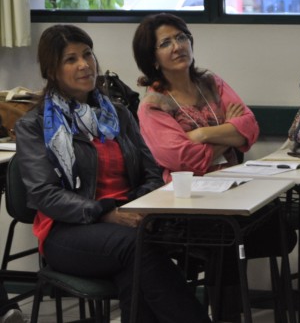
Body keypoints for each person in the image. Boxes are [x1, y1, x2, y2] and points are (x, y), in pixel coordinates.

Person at [14, 24, 211, 323]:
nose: (84, 65)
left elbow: (152, 174)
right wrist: (105, 213)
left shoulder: (117, 113)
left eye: (88, 55)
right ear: (52, 70)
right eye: (71, 59)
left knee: (136, 270)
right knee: (138, 247)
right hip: (68, 231)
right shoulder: (35, 125)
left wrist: (134, 208)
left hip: (129, 222)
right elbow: (45, 194)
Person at [131, 13, 295, 320]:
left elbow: (250, 125)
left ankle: (227, 315)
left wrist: (203, 134)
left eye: (181, 37)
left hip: (232, 191)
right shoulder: (152, 105)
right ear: (152, 58)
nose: (177, 46)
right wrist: (230, 136)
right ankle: (227, 316)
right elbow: (184, 159)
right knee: (227, 237)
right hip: (186, 204)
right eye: (165, 43)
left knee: (271, 220)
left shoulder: (211, 83)